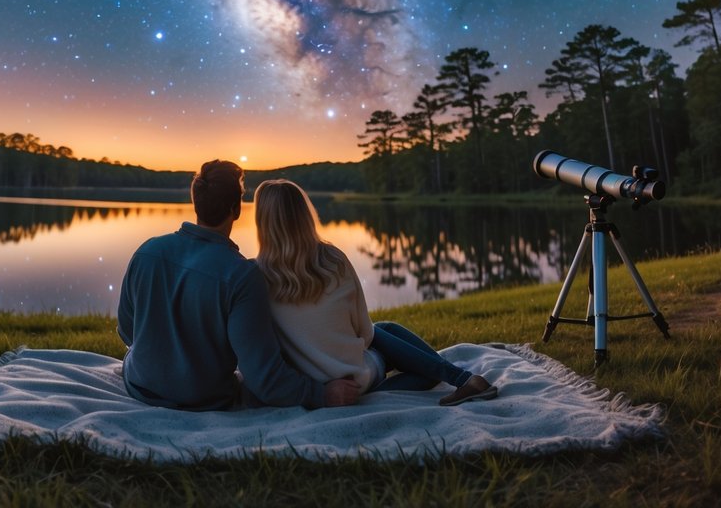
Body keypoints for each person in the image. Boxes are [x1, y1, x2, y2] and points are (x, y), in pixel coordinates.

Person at [116, 159, 361, 411]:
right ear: (237, 209)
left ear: (195, 202)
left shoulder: (147, 252)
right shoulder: (241, 275)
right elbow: (264, 378)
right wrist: (323, 395)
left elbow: (127, 330)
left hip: (139, 386)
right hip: (202, 401)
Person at [253, 178, 498, 406]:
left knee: (399, 345)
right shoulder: (332, 259)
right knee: (388, 332)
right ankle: (462, 378)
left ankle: (452, 377)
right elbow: (365, 332)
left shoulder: (255, 274)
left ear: (263, 222)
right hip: (355, 377)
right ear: (305, 215)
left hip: (313, 383)